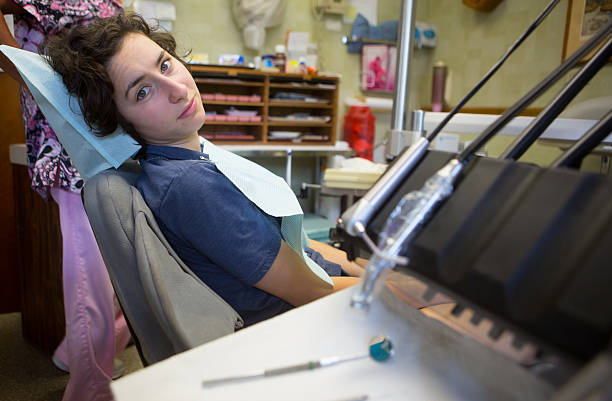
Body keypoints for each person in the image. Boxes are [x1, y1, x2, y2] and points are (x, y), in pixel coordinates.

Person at [44, 13, 364, 326]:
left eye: (165, 65)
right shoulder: (189, 185)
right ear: (120, 120)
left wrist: (369, 269)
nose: (178, 90)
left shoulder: (184, 159)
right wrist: (399, 286)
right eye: (143, 92)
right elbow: (312, 292)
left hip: (324, 286)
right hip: (306, 321)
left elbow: (302, 248)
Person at [0, 2, 131, 401]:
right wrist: (24, 72)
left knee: (125, 262)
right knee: (89, 268)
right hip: (67, 139)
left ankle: (80, 353)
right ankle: (90, 386)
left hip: (111, 132)